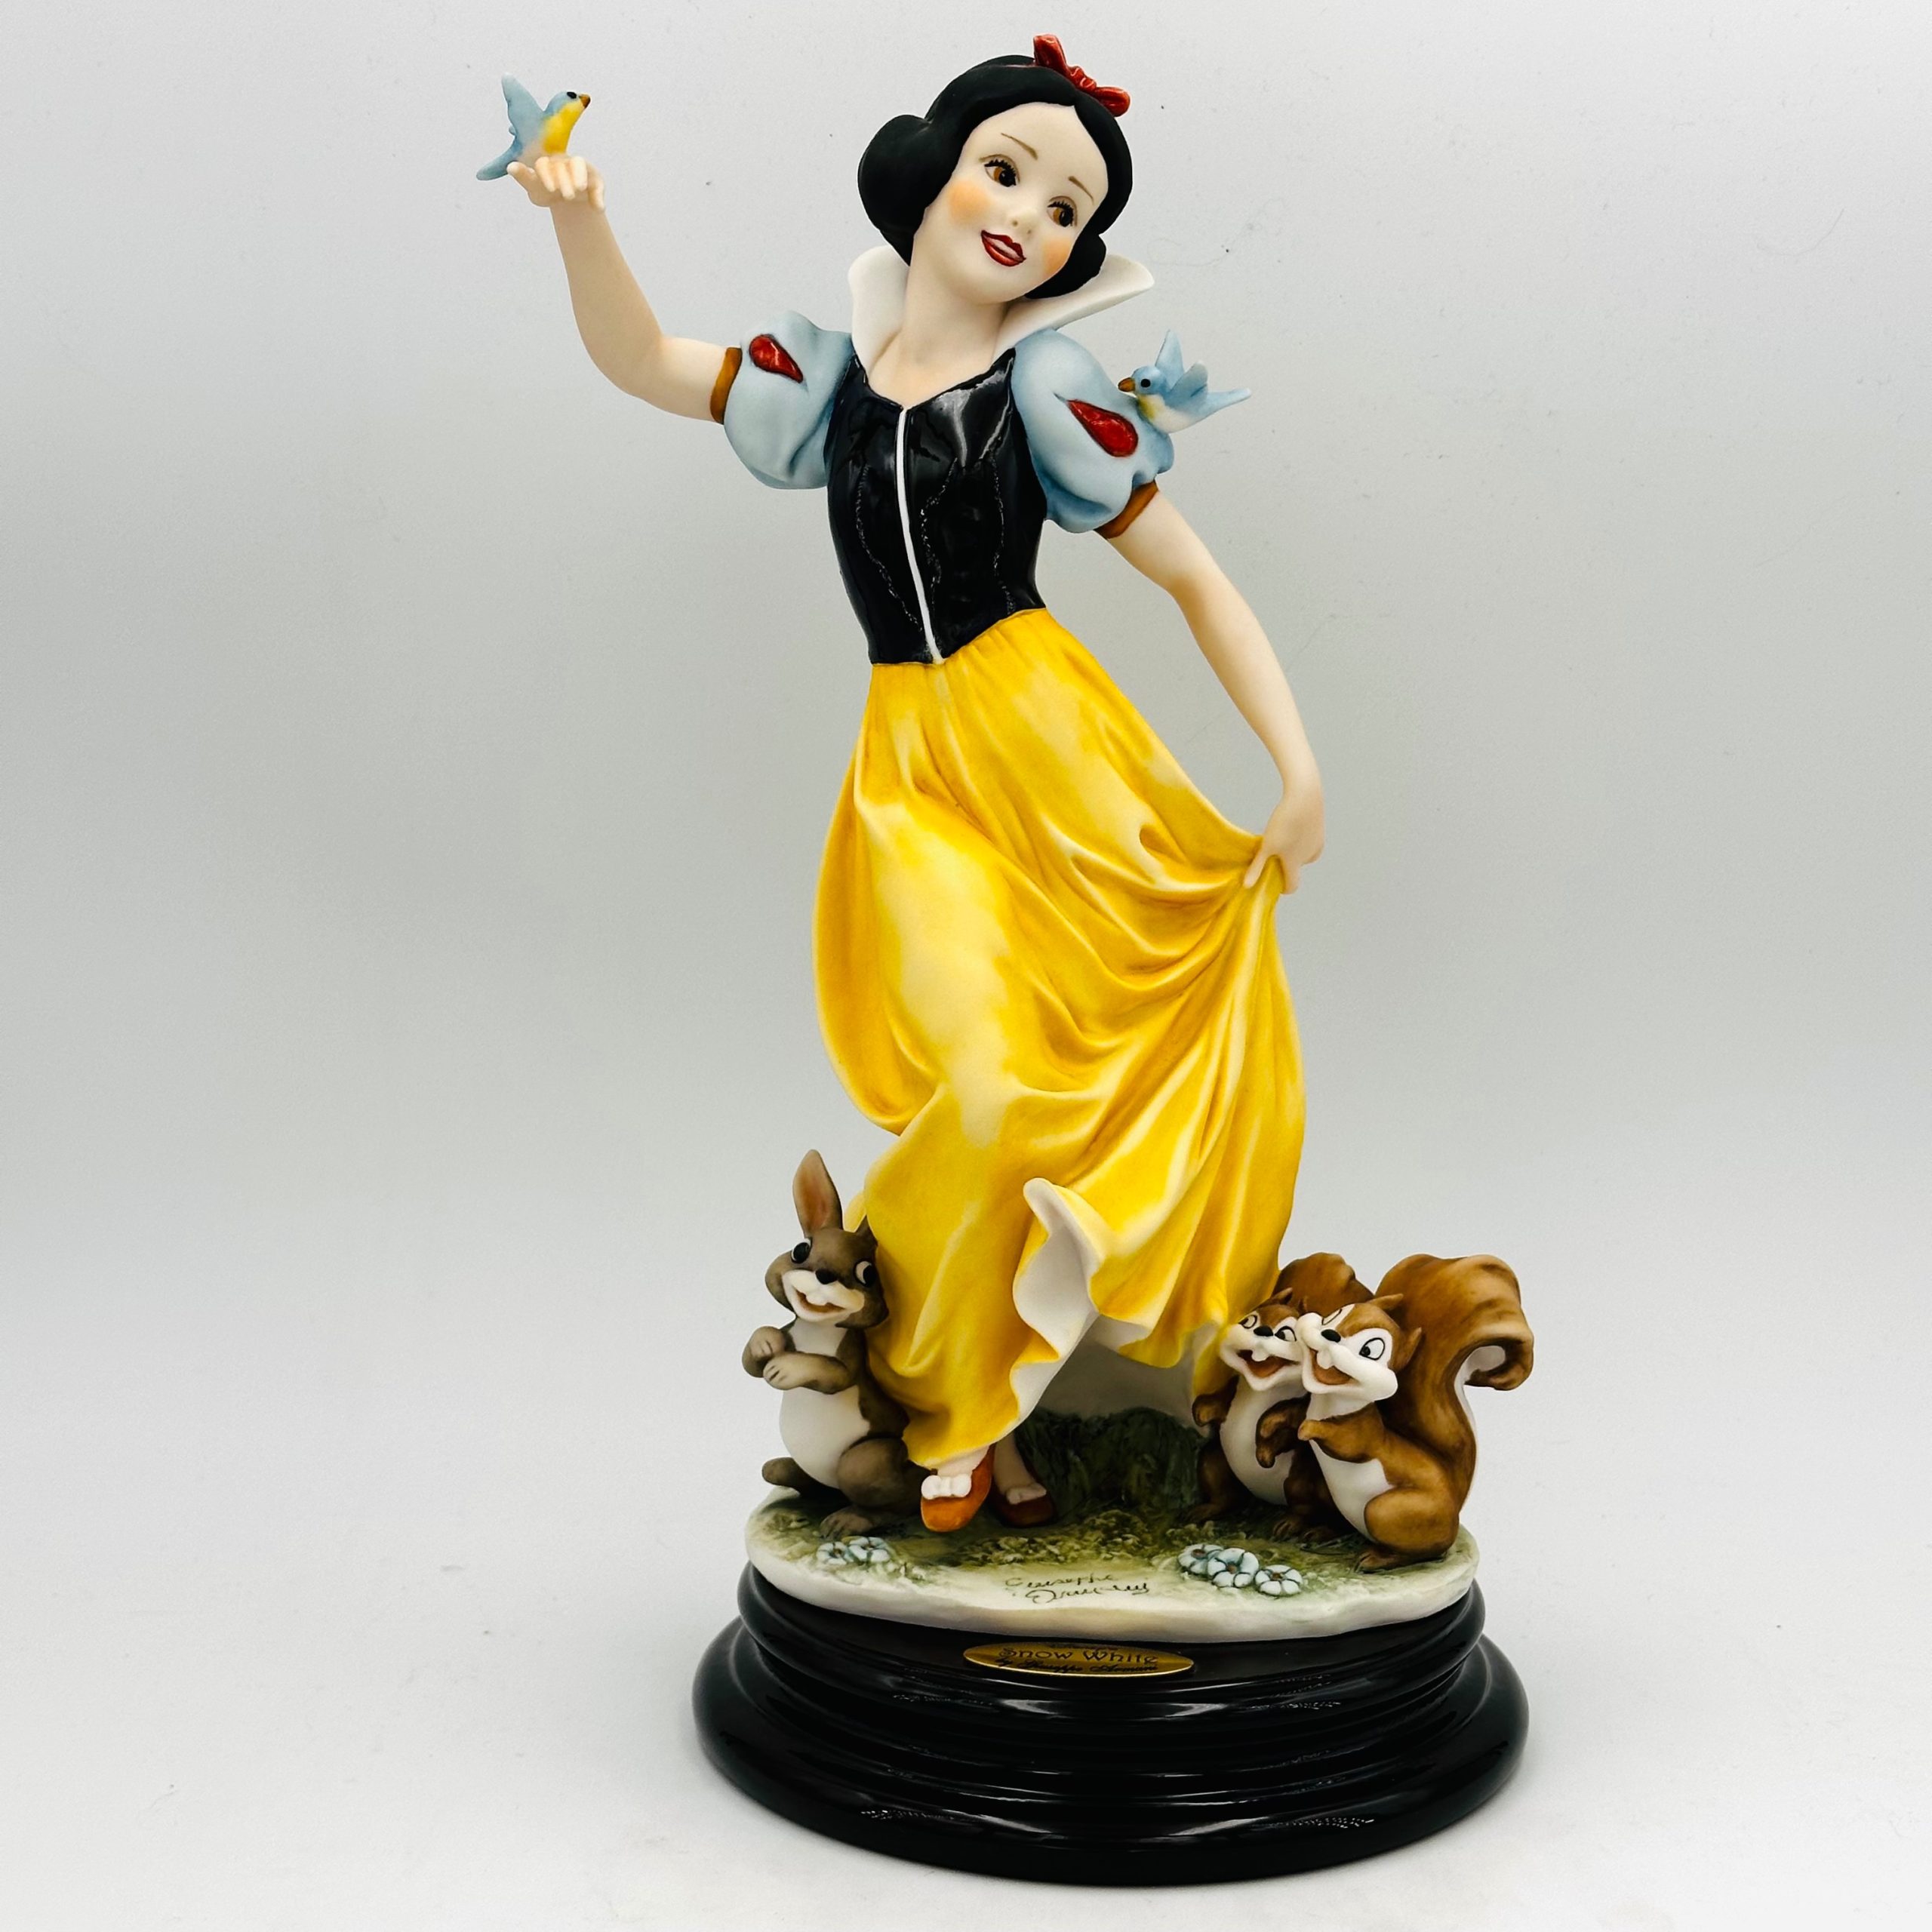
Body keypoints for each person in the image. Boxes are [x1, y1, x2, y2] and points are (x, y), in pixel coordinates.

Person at [511, 38, 1324, 1531]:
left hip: (1057, 754)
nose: (1028, 213)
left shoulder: (1046, 387)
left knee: (1104, 1053)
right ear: (932, 175)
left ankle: (1004, 1408)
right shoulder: (820, 383)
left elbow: (1195, 579)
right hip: (911, 771)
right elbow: (639, 361)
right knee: (989, 1089)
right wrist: (577, 216)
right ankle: (924, 1376)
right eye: (1006, 169)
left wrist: (1297, 763)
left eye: (1067, 206)